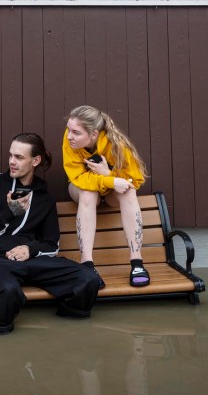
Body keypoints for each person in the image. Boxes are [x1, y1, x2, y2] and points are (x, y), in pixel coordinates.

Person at [0, 132, 100, 335]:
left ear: (35, 161)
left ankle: (64, 330)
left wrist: (29, 249)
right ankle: (1, 337)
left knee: (87, 279)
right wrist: (9, 212)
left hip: (32, 261)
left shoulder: (45, 198)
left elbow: (51, 244)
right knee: (8, 290)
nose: (12, 162)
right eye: (11, 155)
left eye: (19, 157)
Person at [62, 105, 149, 289]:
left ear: (93, 134)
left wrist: (109, 175)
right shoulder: (69, 141)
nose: (70, 136)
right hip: (82, 191)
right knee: (87, 192)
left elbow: (135, 179)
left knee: (129, 191)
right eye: (69, 129)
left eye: (76, 132)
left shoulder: (115, 143)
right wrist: (109, 180)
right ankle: (87, 264)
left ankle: (137, 263)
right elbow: (77, 177)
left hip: (110, 195)